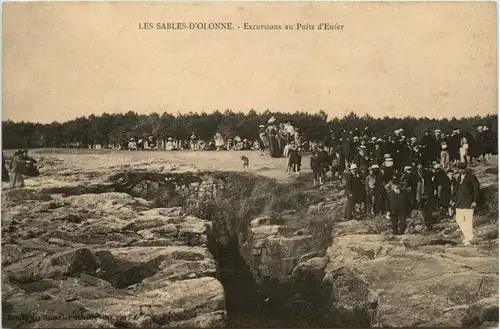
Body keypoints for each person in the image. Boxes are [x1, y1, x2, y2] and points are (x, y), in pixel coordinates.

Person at [453, 162, 480, 246]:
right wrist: (453, 200)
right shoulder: (459, 178)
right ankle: (468, 236)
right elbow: (456, 190)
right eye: (460, 169)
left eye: (463, 169)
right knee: (459, 219)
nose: (461, 171)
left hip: (469, 203)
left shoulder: (472, 177)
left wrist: (475, 201)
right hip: (459, 203)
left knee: (468, 221)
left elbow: (476, 189)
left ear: (466, 168)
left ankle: (469, 238)